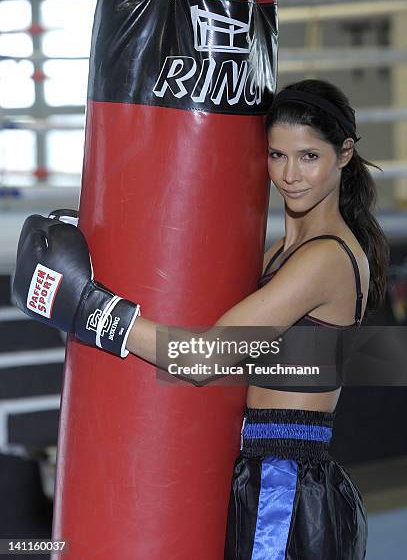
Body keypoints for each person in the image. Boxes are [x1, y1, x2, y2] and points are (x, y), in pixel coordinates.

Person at [13, 78, 389, 559]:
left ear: (344, 154)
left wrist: (90, 308)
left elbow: (205, 358)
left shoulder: (325, 260)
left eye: (309, 157)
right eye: (277, 155)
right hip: (264, 472)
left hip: (284, 487)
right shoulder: (284, 251)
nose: (290, 174)